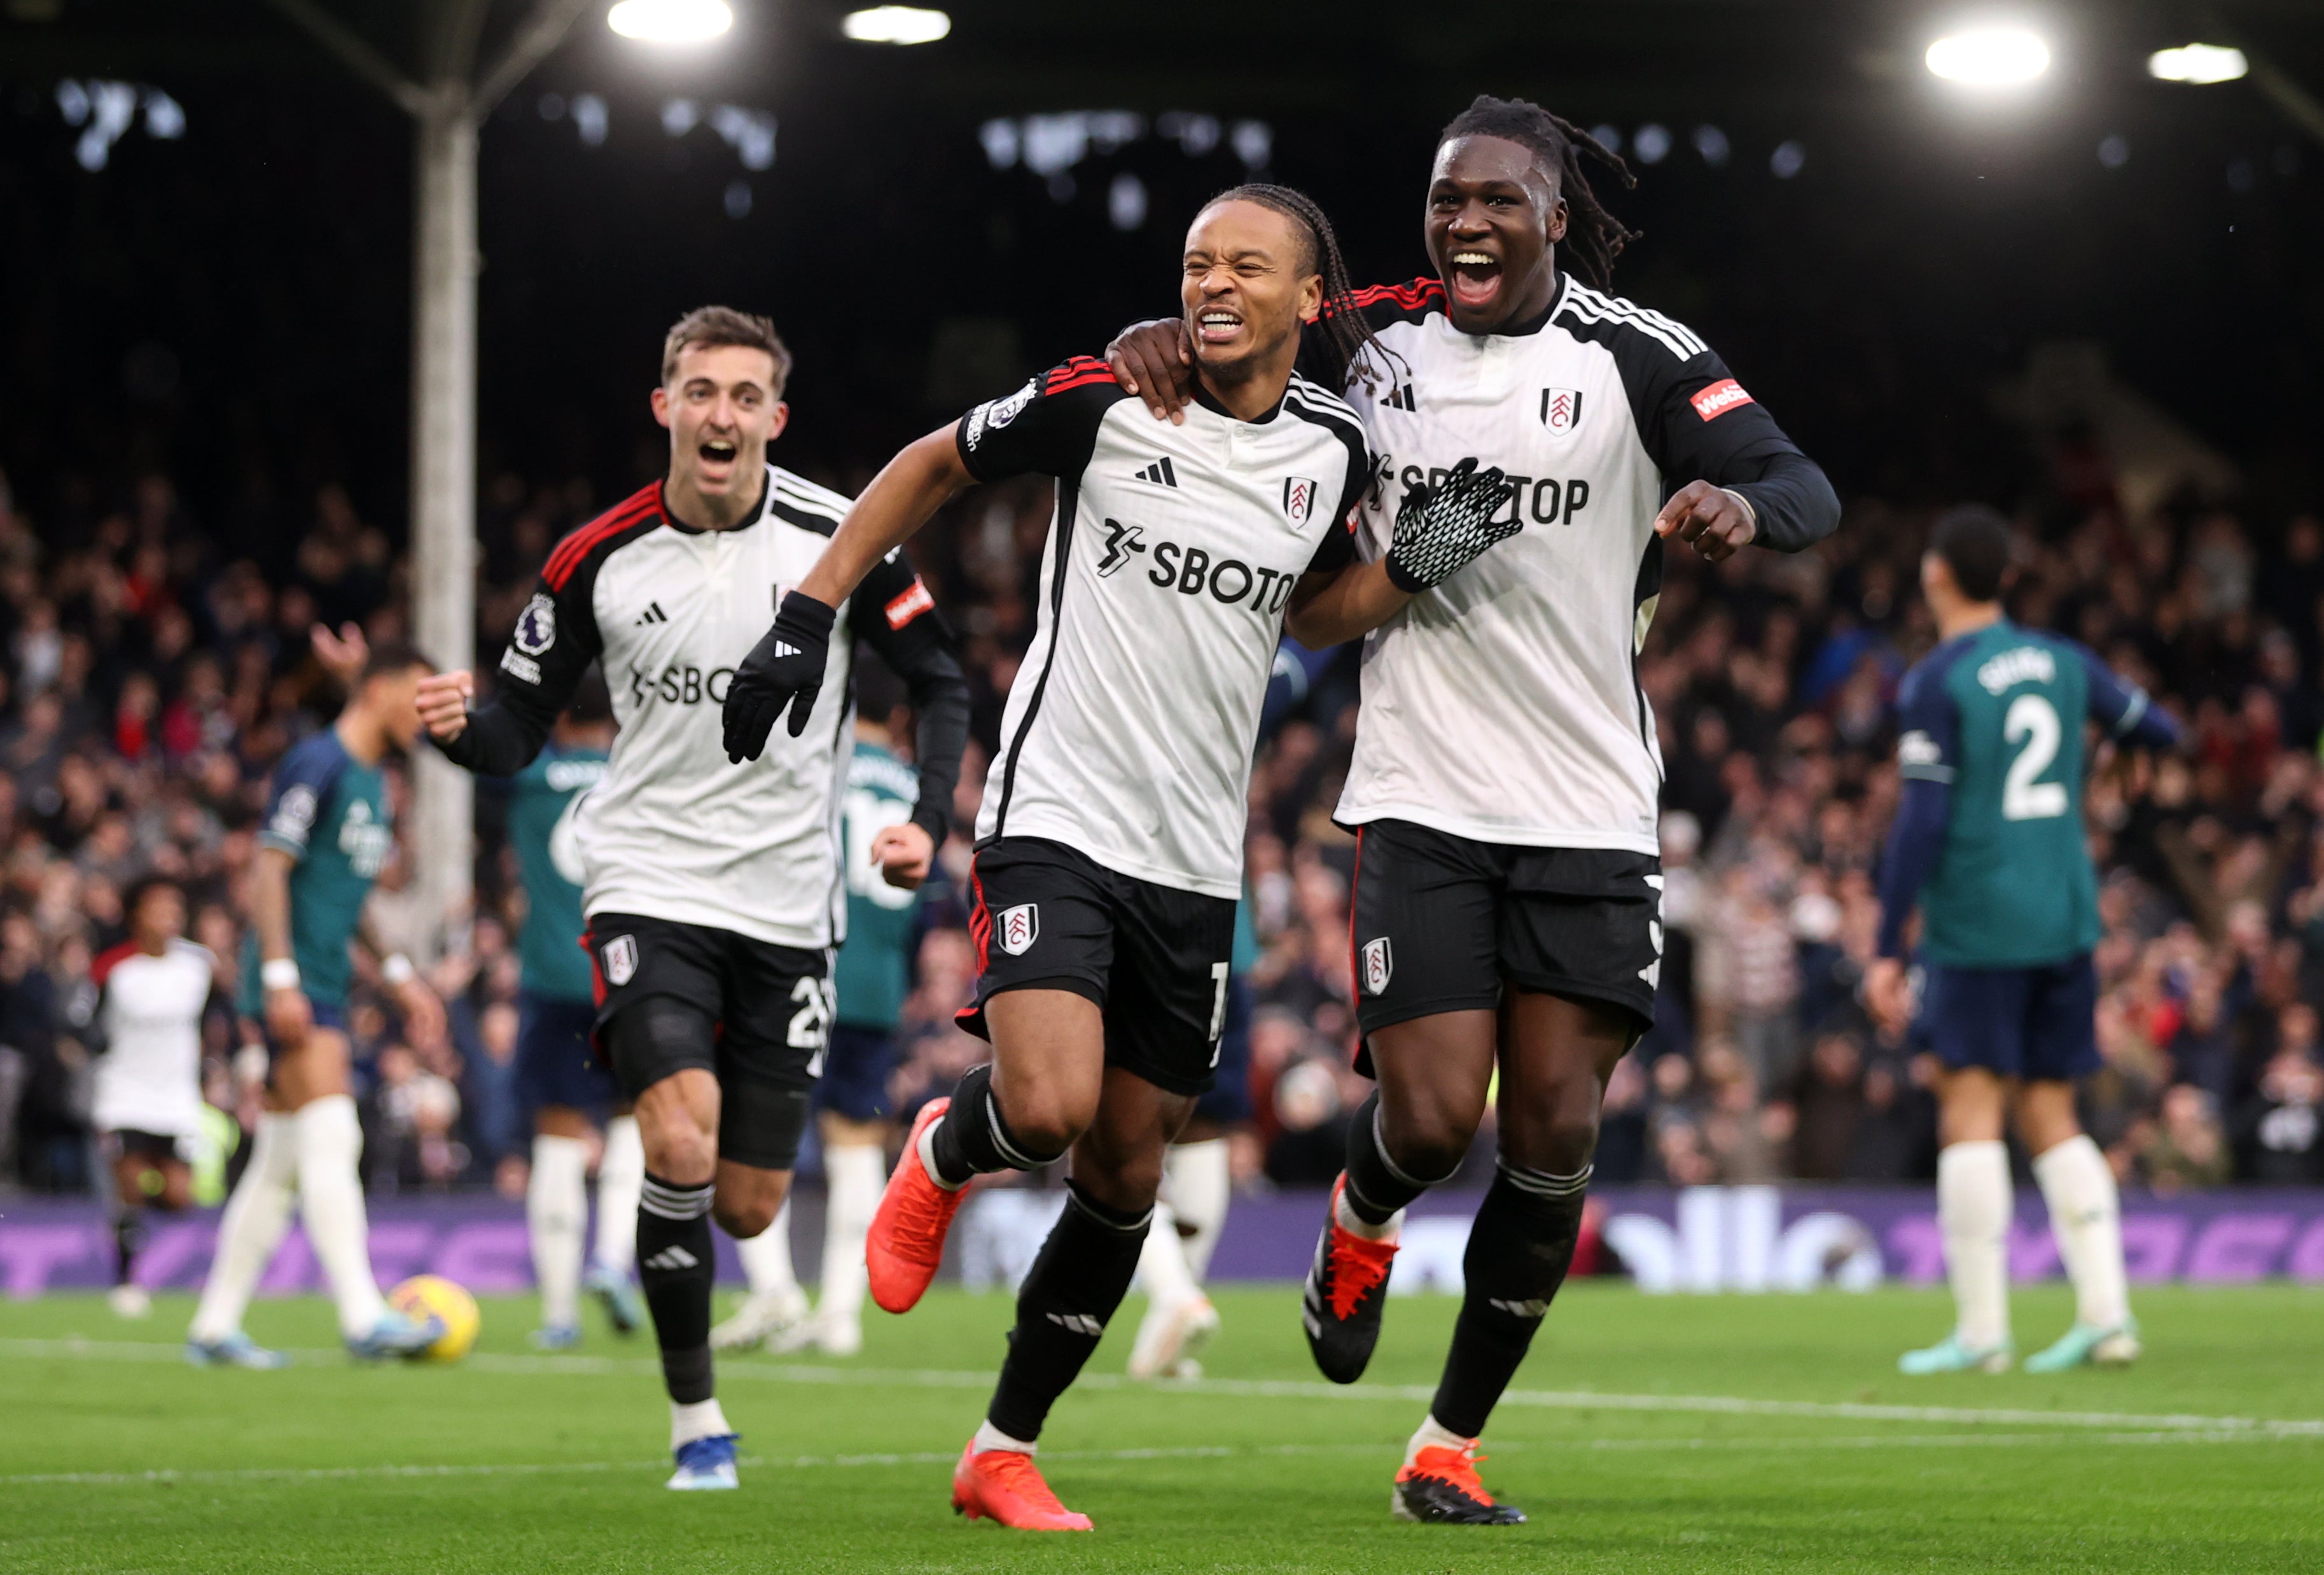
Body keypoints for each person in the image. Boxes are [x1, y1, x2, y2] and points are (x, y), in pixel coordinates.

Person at [723, 184, 1524, 1530]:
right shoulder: (1105, 395)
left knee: (1123, 1175)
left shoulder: (1330, 448)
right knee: (1042, 1106)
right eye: (1193, 263)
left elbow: (1313, 613)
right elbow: (926, 463)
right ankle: (943, 1146)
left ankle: (999, 1450)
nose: (1210, 284)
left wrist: (1415, 565)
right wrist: (808, 614)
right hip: (1056, 812)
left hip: (1193, 857)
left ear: (1305, 296)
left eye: (1243, 266)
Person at [1109, 95, 1840, 1522]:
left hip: (1585, 803)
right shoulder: (1371, 339)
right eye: (1447, 198)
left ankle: (1443, 1442)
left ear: (1554, 218)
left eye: (1498, 199)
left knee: (1552, 1133)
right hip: (1421, 788)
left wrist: (1740, 514)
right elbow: (1240, 313)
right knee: (1435, 1115)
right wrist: (1150, 345)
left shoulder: (1636, 353)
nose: (1466, 222)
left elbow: (1796, 480)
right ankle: (1358, 1218)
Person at [418, 306, 970, 1492]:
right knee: (675, 1131)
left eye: (744, 395)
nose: (721, 414)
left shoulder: (841, 535)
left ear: (776, 416)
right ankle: (694, 1423)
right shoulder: (593, 559)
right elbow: (518, 727)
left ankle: (714, 1282)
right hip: (648, 882)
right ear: (663, 404)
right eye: (699, 391)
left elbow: (938, 681)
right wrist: (463, 731)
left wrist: (926, 821)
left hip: (788, 903)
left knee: (753, 1207)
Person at [1867, 505, 2180, 1375]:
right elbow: (2160, 730)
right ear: (2004, 577)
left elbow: (1920, 821)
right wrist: (2117, 763)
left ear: (1935, 573)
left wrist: (1889, 942)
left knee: (1969, 1109)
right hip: (2064, 915)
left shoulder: (1938, 678)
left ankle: (1981, 1329)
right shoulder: (2064, 661)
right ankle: (2107, 1315)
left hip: (1975, 918)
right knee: (2052, 1112)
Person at [186, 640, 451, 1367]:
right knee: (335, 1134)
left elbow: (351, 891)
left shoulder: (368, 777)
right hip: (295, 983)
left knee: (278, 1164)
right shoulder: (318, 763)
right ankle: (364, 1314)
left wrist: (399, 973)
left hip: (324, 977)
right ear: (383, 689)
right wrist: (277, 977)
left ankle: (214, 1327)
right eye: (419, 694)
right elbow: (269, 868)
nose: (427, 713)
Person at [713, 651, 924, 1359]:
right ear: (899, 717)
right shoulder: (915, 785)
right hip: (876, 988)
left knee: (746, 1126)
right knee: (856, 1148)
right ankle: (840, 1314)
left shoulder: (813, 767)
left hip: (800, 969)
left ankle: (774, 1289)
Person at [492, 673, 649, 1350]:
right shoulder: (639, 779)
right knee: (631, 1122)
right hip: (626, 976)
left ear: (559, 723)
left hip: (553, 978)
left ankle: (557, 1313)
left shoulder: (530, 782)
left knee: (556, 1141)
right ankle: (612, 1260)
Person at [90, 876, 226, 1320]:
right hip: (125, 1093)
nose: (168, 915)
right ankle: (127, 1281)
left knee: (179, 1194)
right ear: (136, 914)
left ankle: (127, 1227)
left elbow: (214, 1022)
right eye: (157, 906)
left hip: (176, 1098)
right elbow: (89, 1027)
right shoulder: (115, 969)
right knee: (129, 1185)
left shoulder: (199, 967)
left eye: (174, 905)